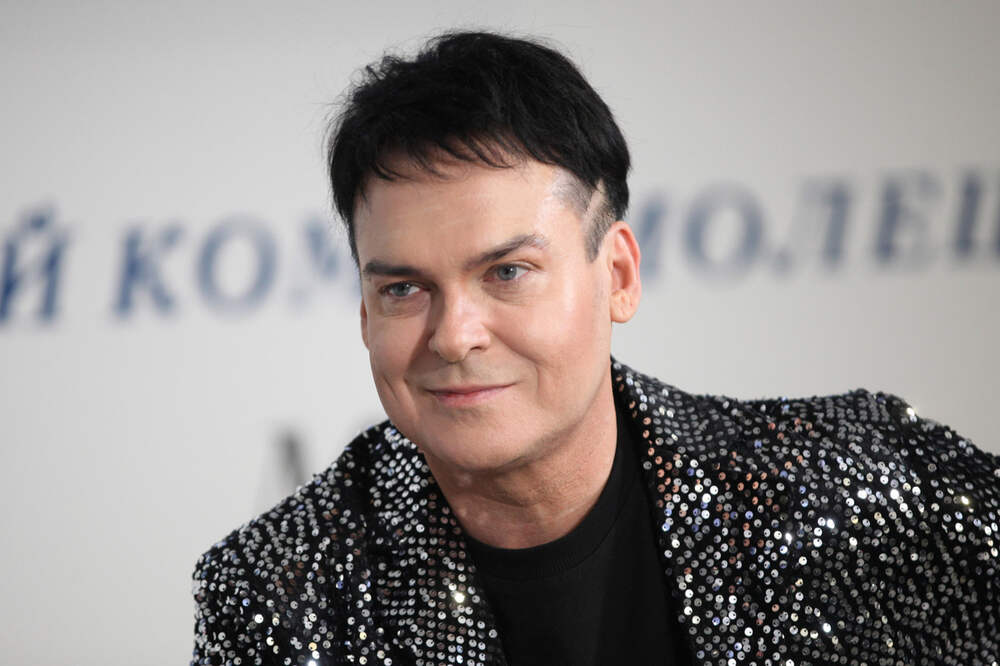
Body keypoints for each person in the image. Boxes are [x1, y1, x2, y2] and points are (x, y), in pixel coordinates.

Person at [191, 31, 1000, 666]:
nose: (455, 335)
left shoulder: (853, 486)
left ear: (617, 275)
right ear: (364, 314)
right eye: (403, 289)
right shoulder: (281, 592)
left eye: (507, 272)